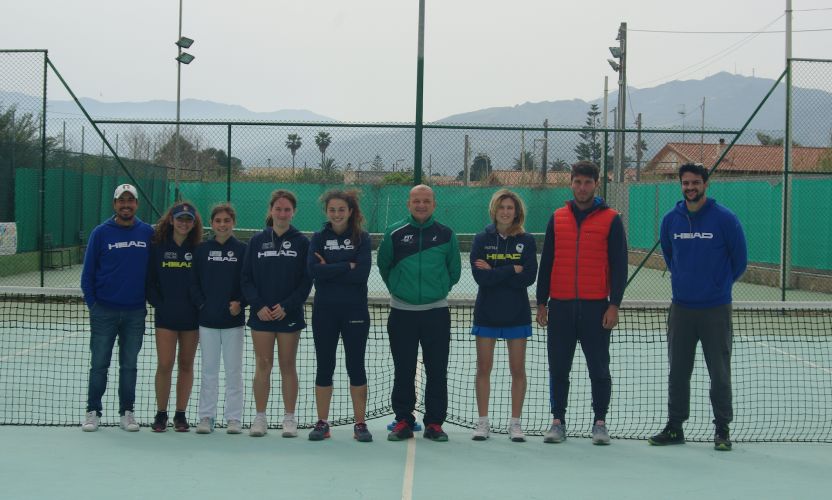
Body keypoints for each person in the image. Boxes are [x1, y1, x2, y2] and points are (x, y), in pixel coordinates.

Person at [649, 163, 747, 451]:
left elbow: (739, 261)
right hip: (681, 308)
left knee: (719, 371)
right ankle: (675, 427)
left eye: (695, 182)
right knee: (678, 371)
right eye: (685, 183)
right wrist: (683, 281)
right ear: (680, 185)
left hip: (716, 308)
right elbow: (670, 256)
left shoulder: (725, 219)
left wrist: (718, 285)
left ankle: (722, 430)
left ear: (706, 184)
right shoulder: (670, 220)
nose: (690, 187)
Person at [536, 160, 628, 445]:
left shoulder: (611, 219)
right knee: (558, 368)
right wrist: (541, 302)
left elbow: (619, 264)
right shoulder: (557, 217)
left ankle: (599, 423)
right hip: (561, 307)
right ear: (571, 183)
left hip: (596, 308)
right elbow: (547, 261)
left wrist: (614, 304)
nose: (583, 187)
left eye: (588, 182)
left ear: (597, 184)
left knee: (599, 368)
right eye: (578, 181)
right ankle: (557, 421)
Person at [378, 184, 461, 442]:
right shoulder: (394, 233)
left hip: (436, 313)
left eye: (426, 201)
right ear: (409, 204)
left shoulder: (447, 235)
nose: (421, 205)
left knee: (437, 370)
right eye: (416, 201)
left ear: (434, 204)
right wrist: (397, 288)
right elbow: (384, 266)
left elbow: (454, 272)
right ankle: (403, 420)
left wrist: (439, 289)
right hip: (402, 313)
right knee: (403, 369)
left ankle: (434, 423)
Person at [80, 184, 154, 432]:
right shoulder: (100, 233)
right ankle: (93, 412)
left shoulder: (148, 233)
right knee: (99, 364)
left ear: (137, 204)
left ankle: (127, 412)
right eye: (121, 200)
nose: (126, 205)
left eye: (130, 200)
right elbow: (87, 274)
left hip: (135, 312)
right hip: (104, 311)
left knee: (129, 365)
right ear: (114, 205)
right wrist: (94, 305)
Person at [241, 189, 312, 438]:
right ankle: (260, 417)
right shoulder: (256, 241)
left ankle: (289, 418)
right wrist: (258, 305)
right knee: (263, 364)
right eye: (278, 208)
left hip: (288, 314)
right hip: (260, 315)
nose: (282, 213)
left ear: (294, 212)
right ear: (271, 210)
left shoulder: (302, 242)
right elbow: (246, 278)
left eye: (287, 209)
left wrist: (286, 306)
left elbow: (306, 281)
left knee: (287, 365)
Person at [469, 190, 537, 442]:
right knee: (483, 367)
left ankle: (515, 423)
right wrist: (512, 269)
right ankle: (483, 422)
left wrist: (496, 271)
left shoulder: (527, 241)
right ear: (494, 210)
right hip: (486, 313)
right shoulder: (480, 239)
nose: (505, 212)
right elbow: (480, 277)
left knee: (517, 369)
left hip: (517, 314)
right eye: (501, 207)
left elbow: (528, 277)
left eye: (510, 208)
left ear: (517, 212)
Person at [306, 190, 373, 442]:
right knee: (325, 367)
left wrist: (329, 269)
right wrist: (347, 265)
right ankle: (322, 423)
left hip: (354, 310)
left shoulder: (362, 238)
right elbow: (313, 270)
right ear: (327, 212)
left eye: (341, 210)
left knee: (355, 367)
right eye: (332, 210)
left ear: (350, 212)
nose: (336, 214)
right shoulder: (318, 237)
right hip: (324, 310)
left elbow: (362, 274)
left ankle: (360, 424)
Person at [189, 204, 248, 435]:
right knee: (209, 371)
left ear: (233, 222)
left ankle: (234, 418)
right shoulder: (202, 250)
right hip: (208, 322)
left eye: (227, 220)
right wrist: (203, 305)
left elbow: (249, 281)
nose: (222, 225)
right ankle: (206, 416)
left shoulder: (243, 250)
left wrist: (241, 303)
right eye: (218, 221)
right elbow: (193, 282)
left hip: (234, 322)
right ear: (212, 224)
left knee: (234, 371)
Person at [146, 201, 203, 432]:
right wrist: (161, 306)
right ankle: (161, 414)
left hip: (192, 319)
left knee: (186, 364)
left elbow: (202, 283)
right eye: (180, 218)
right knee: (165, 364)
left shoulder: (198, 248)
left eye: (188, 219)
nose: (183, 222)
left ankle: (181, 415)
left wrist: (200, 306)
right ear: (171, 220)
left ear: (194, 223)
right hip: (166, 318)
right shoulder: (157, 246)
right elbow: (149, 282)